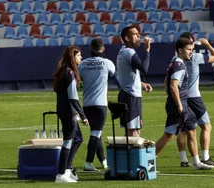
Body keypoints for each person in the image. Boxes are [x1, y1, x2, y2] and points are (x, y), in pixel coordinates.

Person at [155, 37, 214, 170]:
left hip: (183, 104)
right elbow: (173, 86)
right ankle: (148, 160)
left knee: (192, 130)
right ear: (180, 50)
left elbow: (166, 82)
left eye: (192, 50)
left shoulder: (176, 63)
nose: (191, 52)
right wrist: (179, 104)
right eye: (188, 50)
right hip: (179, 105)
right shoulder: (179, 65)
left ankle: (196, 162)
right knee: (169, 135)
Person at [175, 33, 214, 167]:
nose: (192, 48)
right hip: (194, 97)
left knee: (184, 130)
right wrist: (207, 45)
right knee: (206, 126)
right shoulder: (196, 57)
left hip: (181, 97)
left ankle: (184, 160)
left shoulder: (175, 59)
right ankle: (205, 157)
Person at [78, 38, 120, 171]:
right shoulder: (107, 63)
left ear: (90, 48)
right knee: (95, 134)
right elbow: (116, 78)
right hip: (100, 104)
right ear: (103, 49)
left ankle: (103, 162)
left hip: (86, 104)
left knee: (97, 134)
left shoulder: (83, 64)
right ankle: (88, 162)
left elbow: (78, 82)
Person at [53, 46, 89, 183]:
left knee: (78, 138)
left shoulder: (63, 72)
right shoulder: (69, 73)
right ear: (73, 58)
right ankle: (61, 175)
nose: (81, 58)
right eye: (79, 55)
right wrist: (83, 115)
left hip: (64, 110)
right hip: (68, 111)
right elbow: (73, 97)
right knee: (68, 141)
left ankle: (67, 169)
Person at [116, 26, 153, 137]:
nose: (139, 36)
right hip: (131, 96)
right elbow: (144, 68)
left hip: (127, 94)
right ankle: (136, 154)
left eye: (138, 34)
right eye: (135, 34)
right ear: (127, 38)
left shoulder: (123, 51)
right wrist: (147, 50)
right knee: (132, 131)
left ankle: (131, 153)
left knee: (134, 129)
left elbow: (127, 74)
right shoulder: (129, 52)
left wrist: (141, 84)